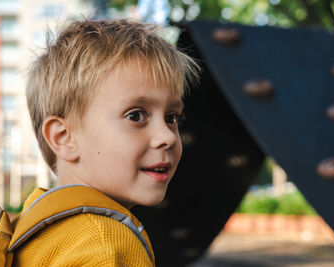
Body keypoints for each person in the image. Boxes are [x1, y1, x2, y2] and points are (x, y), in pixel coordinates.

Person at [12, 19, 198, 266]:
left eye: (171, 118)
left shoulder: (33, 224)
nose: (167, 136)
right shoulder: (107, 247)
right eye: (136, 116)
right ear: (64, 137)